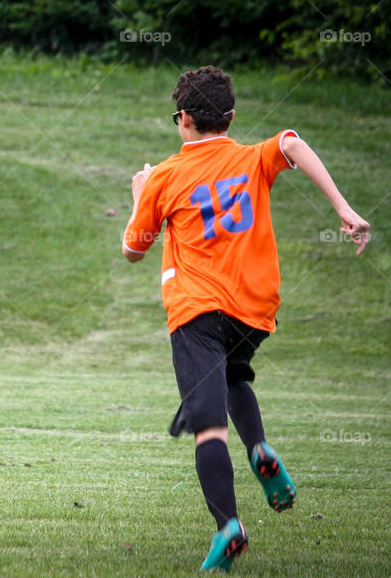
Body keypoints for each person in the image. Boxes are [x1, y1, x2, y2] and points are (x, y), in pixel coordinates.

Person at [121, 67, 370, 571]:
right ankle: (259, 449)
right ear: (230, 118)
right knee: (234, 374)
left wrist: (140, 194)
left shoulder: (166, 175)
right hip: (253, 311)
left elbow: (133, 249)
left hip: (196, 312)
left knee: (207, 427)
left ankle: (228, 526)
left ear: (184, 119)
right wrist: (345, 210)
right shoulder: (252, 157)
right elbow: (293, 144)